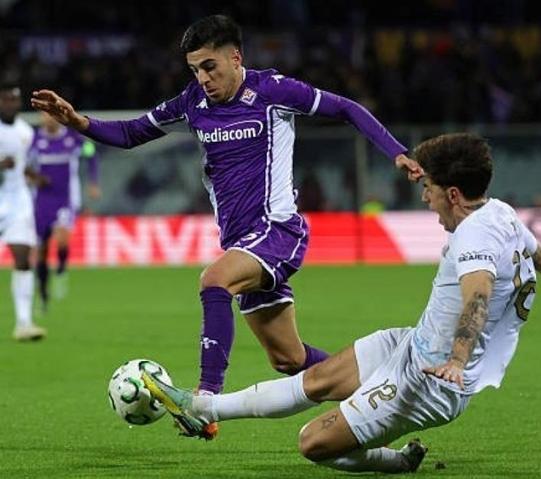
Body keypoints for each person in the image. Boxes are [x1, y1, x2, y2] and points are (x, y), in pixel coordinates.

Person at [143, 133, 541, 473]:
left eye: (428, 190)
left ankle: (395, 461)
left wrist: (456, 360)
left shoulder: (474, 237)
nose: (424, 199)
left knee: (312, 443)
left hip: (429, 381)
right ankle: (203, 405)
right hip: (413, 345)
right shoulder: (501, 213)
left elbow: (479, 294)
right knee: (318, 379)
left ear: (452, 193)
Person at [31, 14, 423, 439]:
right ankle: (390, 392)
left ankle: (205, 399)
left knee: (214, 280)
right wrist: (78, 121)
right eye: (194, 70)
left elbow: (345, 108)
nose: (202, 78)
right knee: (289, 359)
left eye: (209, 67)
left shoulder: (272, 91)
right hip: (241, 243)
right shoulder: (192, 102)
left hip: (277, 230)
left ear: (235, 58)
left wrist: (397, 152)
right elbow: (131, 133)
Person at [29, 111, 101, 312]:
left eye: (50, 115)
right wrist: (34, 178)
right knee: (41, 250)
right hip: (41, 200)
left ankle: (61, 269)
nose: (47, 119)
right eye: (44, 115)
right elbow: (24, 167)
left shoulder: (72, 138)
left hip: (65, 199)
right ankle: (43, 292)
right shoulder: (34, 140)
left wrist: (94, 181)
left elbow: (91, 152)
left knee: (62, 240)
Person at [0, 83, 47, 341]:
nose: (10, 104)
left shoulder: (26, 132)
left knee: (22, 257)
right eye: (6, 99)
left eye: (14, 100)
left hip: (17, 200)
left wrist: (34, 176)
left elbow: (23, 165)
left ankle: (24, 323)